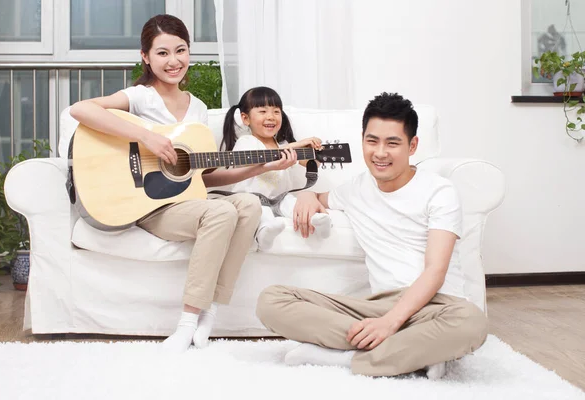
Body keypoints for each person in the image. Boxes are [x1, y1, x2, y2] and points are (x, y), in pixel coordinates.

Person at [69, 14, 296, 352]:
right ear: (145, 57)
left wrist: (257, 167)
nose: (173, 61)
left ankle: (211, 310)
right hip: (149, 206)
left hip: (187, 201)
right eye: (162, 53)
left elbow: (202, 177)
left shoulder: (198, 109)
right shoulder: (141, 97)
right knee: (219, 214)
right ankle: (188, 320)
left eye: (180, 51)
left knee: (248, 204)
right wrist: (145, 137)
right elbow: (80, 109)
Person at [255, 92, 488, 379]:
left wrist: (390, 323)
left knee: (472, 323)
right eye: (372, 141)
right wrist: (306, 195)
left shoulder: (439, 191)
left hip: (436, 306)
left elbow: (435, 272)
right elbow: (319, 196)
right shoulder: (356, 189)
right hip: (375, 306)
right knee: (271, 300)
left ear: (412, 145)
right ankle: (414, 353)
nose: (380, 153)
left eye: (392, 143)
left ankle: (345, 359)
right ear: (363, 139)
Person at [221, 86, 332, 250]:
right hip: (252, 200)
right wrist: (295, 146)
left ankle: (317, 221)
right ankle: (265, 233)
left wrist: (317, 155)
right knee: (262, 212)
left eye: (276, 111)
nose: (271, 117)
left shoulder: (284, 146)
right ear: (246, 118)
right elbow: (261, 157)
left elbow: (309, 164)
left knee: (293, 203)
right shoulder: (246, 142)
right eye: (263, 111)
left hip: (280, 198)